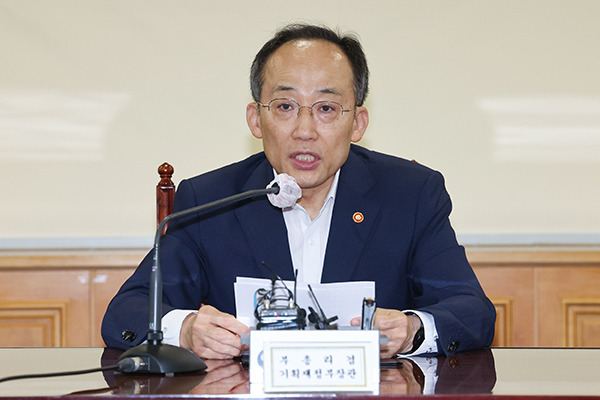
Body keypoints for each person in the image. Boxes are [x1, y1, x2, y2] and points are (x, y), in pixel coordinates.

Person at [102, 23, 496, 360]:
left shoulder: (410, 195)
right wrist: (185, 329)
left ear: (357, 123)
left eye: (326, 108)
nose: (305, 130)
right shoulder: (210, 200)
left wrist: (412, 329)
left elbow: (471, 311)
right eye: (285, 106)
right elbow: (127, 312)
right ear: (256, 119)